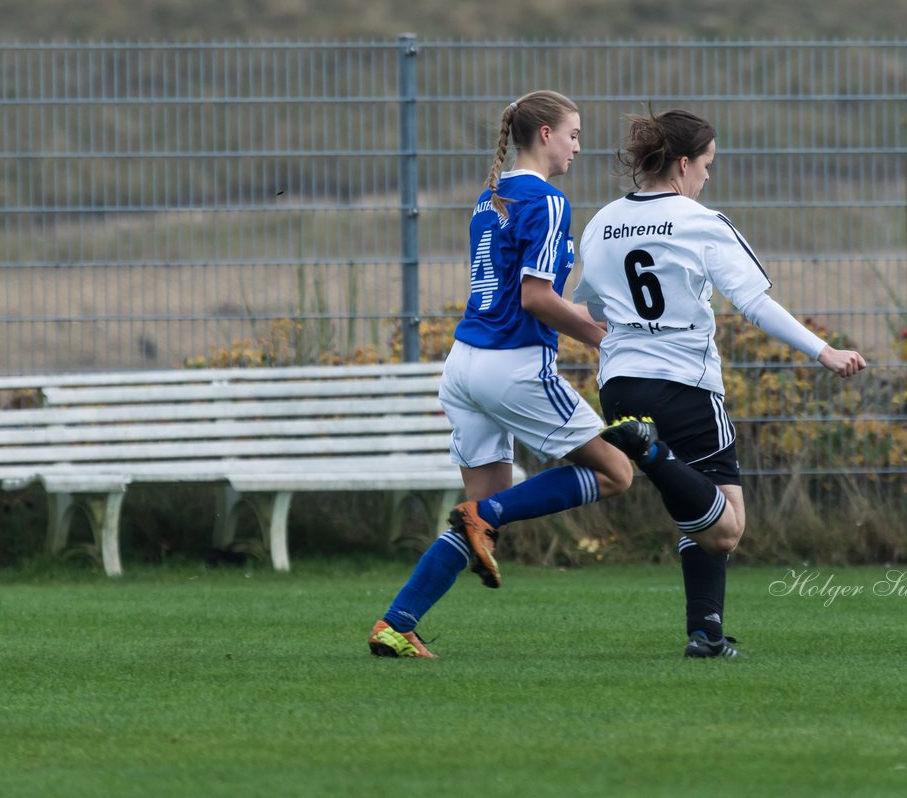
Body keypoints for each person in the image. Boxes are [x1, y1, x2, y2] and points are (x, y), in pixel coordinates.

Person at [574, 109, 867, 657]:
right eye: (707, 164)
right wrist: (823, 350)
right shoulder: (700, 221)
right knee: (727, 525)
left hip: (619, 386)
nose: (709, 176)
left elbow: (590, 308)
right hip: (684, 383)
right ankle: (653, 455)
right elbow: (753, 302)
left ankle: (706, 632)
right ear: (684, 164)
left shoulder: (602, 222)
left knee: (700, 509)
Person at [368, 90, 637, 658]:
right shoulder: (550, 201)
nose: (578, 147)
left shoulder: (489, 197)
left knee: (480, 523)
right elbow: (537, 297)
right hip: (512, 365)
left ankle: (396, 624)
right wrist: (596, 333)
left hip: (464, 366)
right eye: (574, 135)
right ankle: (481, 516)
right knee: (616, 473)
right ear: (545, 136)